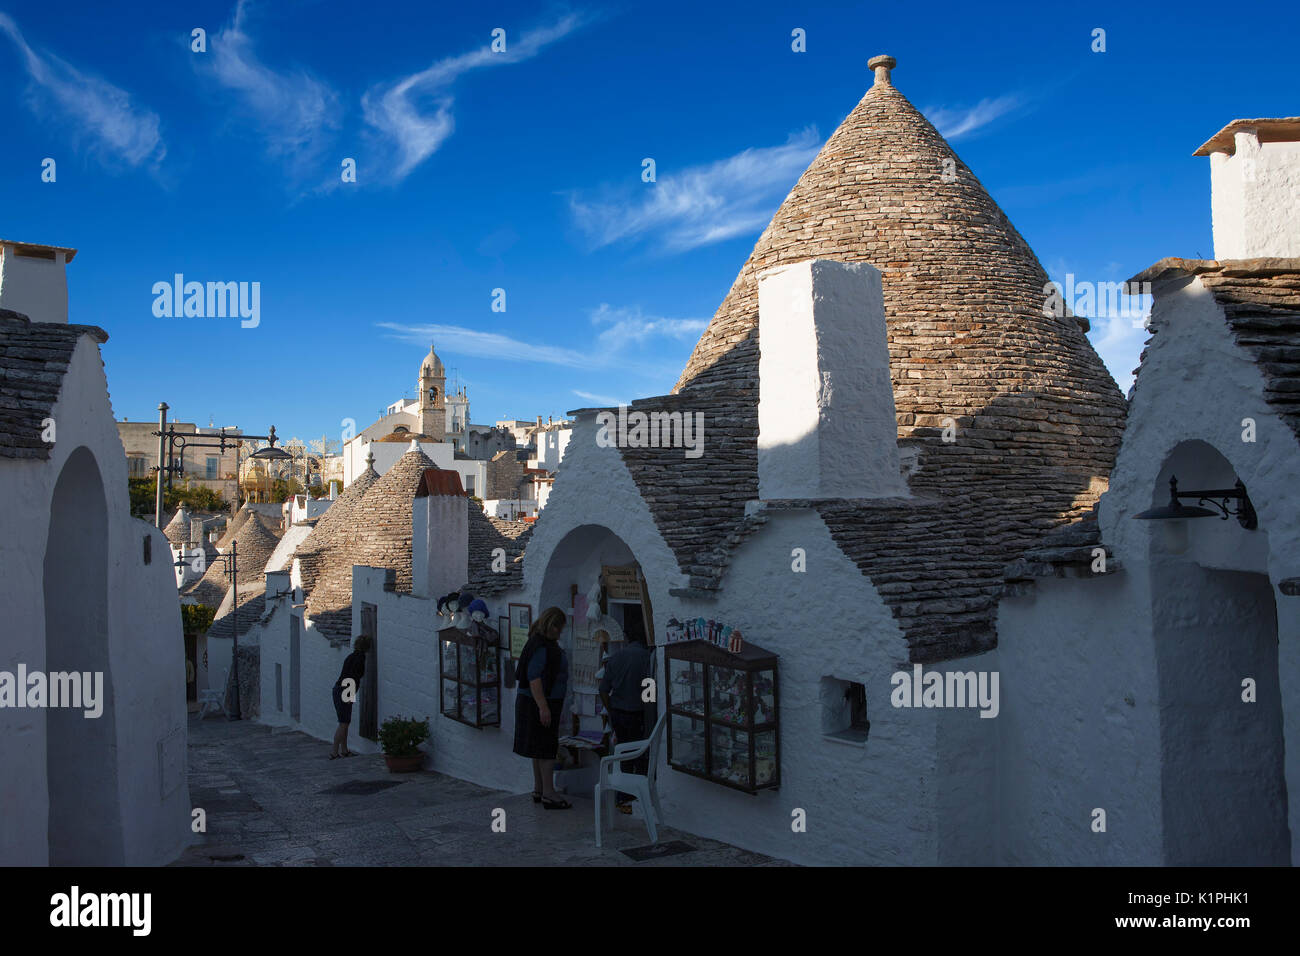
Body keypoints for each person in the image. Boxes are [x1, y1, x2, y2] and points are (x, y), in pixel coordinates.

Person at [512, 607, 571, 809]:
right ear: (553, 626)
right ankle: (549, 793)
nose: (560, 632)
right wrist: (544, 707)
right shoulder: (541, 646)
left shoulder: (537, 641)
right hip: (539, 703)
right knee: (546, 747)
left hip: (533, 702)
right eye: (559, 628)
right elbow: (534, 677)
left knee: (538, 747)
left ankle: (539, 789)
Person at [599, 627, 654, 813]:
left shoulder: (616, 658)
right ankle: (640, 796)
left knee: (623, 754)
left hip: (619, 713)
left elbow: (603, 689)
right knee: (640, 754)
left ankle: (623, 798)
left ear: (628, 638)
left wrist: (610, 709)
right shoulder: (647, 658)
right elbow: (650, 691)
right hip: (638, 713)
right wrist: (649, 709)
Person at [330, 635, 371, 759]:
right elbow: (353, 677)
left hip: (339, 689)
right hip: (346, 690)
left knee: (345, 722)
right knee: (343, 723)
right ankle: (334, 752)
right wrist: (348, 696)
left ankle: (344, 750)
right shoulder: (360, 659)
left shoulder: (351, 656)